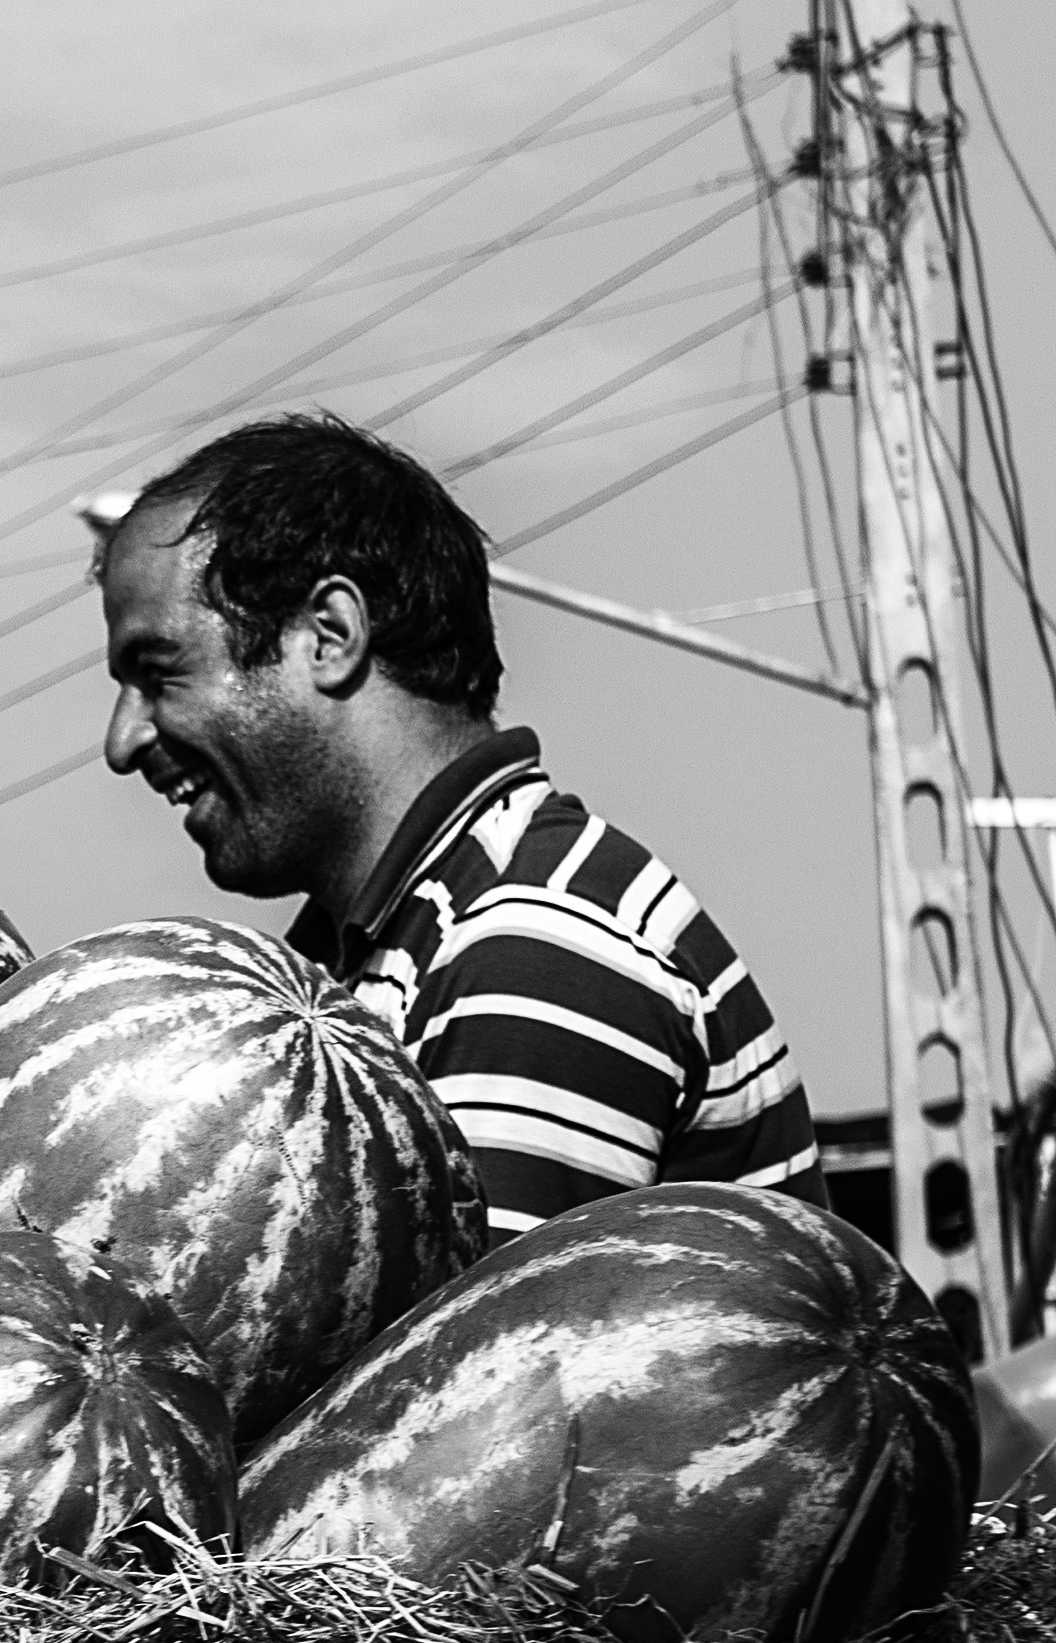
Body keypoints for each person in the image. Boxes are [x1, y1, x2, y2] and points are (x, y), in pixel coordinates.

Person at [91, 412, 827, 1246]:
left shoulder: (534, 946)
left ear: (327, 636)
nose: (123, 743)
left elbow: (469, 1371)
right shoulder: (367, 961)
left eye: (157, 675)